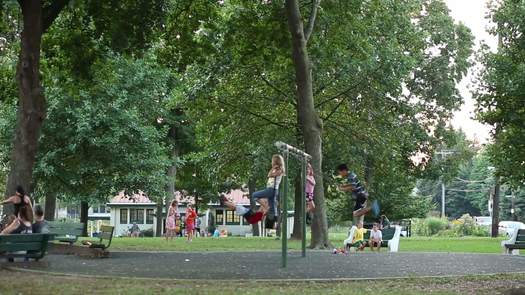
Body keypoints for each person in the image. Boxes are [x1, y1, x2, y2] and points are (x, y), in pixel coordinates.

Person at [252, 155, 285, 220]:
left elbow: (270, 175)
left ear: (276, 161)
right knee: (272, 209)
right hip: (271, 189)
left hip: (272, 189)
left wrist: (273, 169)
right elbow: (268, 174)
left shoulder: (280, 170)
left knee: (254, 195)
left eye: (272, 161)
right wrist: (272, 168)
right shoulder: (275, 169)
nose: (271, 162)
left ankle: (266, 206)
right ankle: (272, 225)